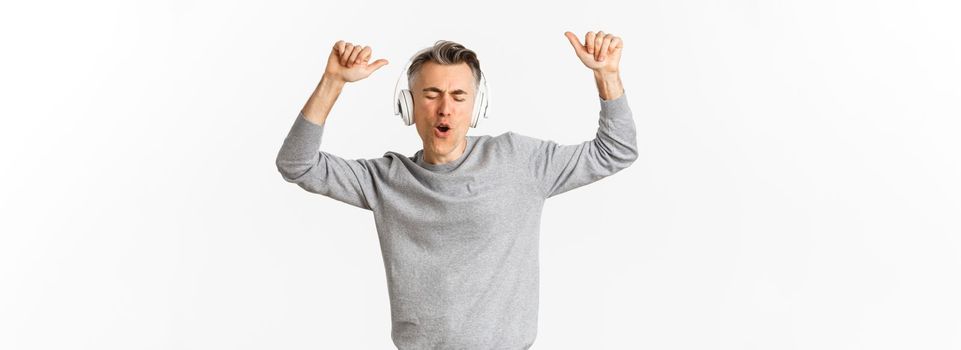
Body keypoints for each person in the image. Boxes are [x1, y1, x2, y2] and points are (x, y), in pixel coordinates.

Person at [276, 30, 637, 350]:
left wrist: (607, 75)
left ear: (477, 106)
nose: (445, 108)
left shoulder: (520, 161)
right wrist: (332, 81)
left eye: (459, 96)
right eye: (431, 94)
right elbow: (297, 164)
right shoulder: (385, 179)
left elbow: (616, 150)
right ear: (409, 106)